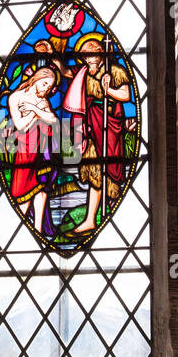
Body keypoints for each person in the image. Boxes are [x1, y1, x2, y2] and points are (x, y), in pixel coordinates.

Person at [63, 33, 132, 234]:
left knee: (110, 170)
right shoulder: (80, 72)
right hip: (91, 127)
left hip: (109, 125)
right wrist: (56, 49)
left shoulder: (115, 71)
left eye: (94, 49)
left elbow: (126, 95)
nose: (90, 52)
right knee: (94, 171)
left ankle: (110, 212)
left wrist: (108, 89)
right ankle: (91, 219)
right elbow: (63, 71)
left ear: (102, 53)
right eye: (86, 50)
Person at [6, 66, 60, 234]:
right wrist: (38, 114)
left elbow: (52, 119)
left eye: (49, 87)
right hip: (25, 149)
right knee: (22, 189)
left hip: (43, 148)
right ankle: (20, 230)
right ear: (36, 79)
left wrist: (34, 110)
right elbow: (20, 126)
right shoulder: (16, 97)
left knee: (42, 187)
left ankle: (37, 229)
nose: (46, 89)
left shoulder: (43, 101)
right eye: (44, 84)